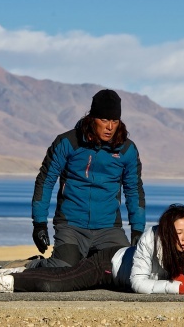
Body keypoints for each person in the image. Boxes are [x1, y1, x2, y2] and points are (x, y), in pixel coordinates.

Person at [0, 204, 184, 295]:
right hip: (108, 265)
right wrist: (177, 287)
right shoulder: (150, 240)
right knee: (58, 282)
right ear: (168, 232)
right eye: (179, 233)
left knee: (58, 277)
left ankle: (4, 273)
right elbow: (138, 283)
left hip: (119, 266)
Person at [25, 89, 146, 269]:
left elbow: (134, 189)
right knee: (63, 268)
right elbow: (45, 180)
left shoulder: (126, 150)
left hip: (109, 228)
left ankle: (87, 260)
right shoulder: (67, 142)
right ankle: (31, 265)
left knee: (122, 271)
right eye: (104, 120)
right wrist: (39, 224)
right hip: (71, 225)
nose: (110, 127)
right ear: (92, 118)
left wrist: (137, 229)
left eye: (114, 120)